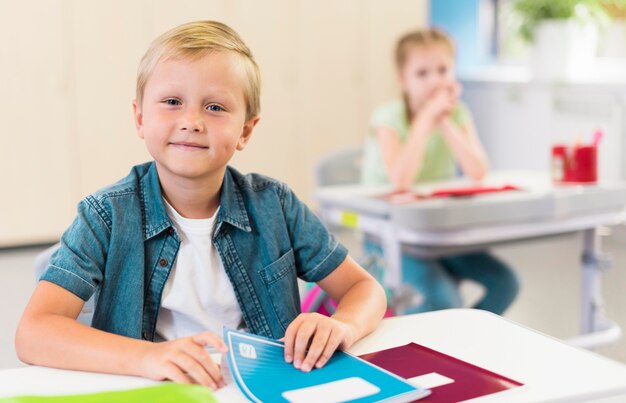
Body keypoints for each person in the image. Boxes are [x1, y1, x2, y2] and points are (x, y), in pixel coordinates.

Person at [15, 20, 386, 390]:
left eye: (215, 107)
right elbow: (34, 332)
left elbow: (364, 289)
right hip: (153, 389)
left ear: (246, 130)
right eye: (173, 102)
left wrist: (343, 325)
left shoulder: (277, 205)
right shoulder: (105, 215)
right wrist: (148, 357)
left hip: (262, 387)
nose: (192, 121)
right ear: (140, 117)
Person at [361, 28, 519, 315]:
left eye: (443, 70)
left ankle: (462, 344)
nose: (435, 80)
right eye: (422, 73)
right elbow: (401, 180)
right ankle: (421, 349)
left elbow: (478, 170)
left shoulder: (458, 114)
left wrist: (445, 121)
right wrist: (426, 118)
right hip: (391, 236)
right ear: (403, 80)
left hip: (438, 233)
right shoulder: (387, 117)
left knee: (506, 283)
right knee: (443, 300)